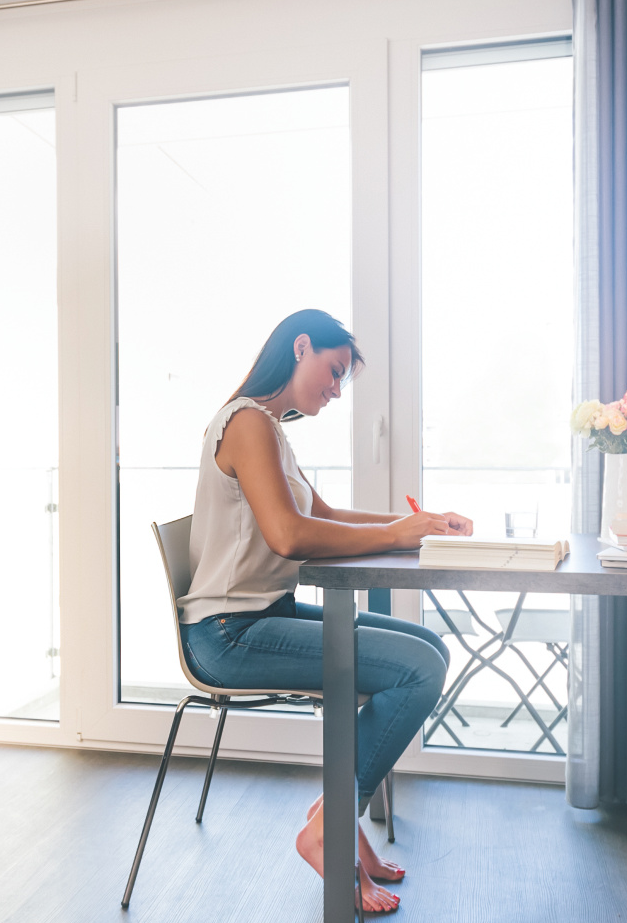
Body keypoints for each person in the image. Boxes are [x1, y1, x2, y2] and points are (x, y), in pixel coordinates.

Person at [177, 309, 471, 914]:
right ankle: (330, 825)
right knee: (417, 670)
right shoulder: (246, 424)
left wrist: (417, 525)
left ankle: (333, 814)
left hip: (260, 616)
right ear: (301, 346)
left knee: (430, 649)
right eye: (334, 372)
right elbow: (289, 536)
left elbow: (326, 517)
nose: (337, 390)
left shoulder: (267, 428)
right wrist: (395, 536)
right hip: (229, 634)